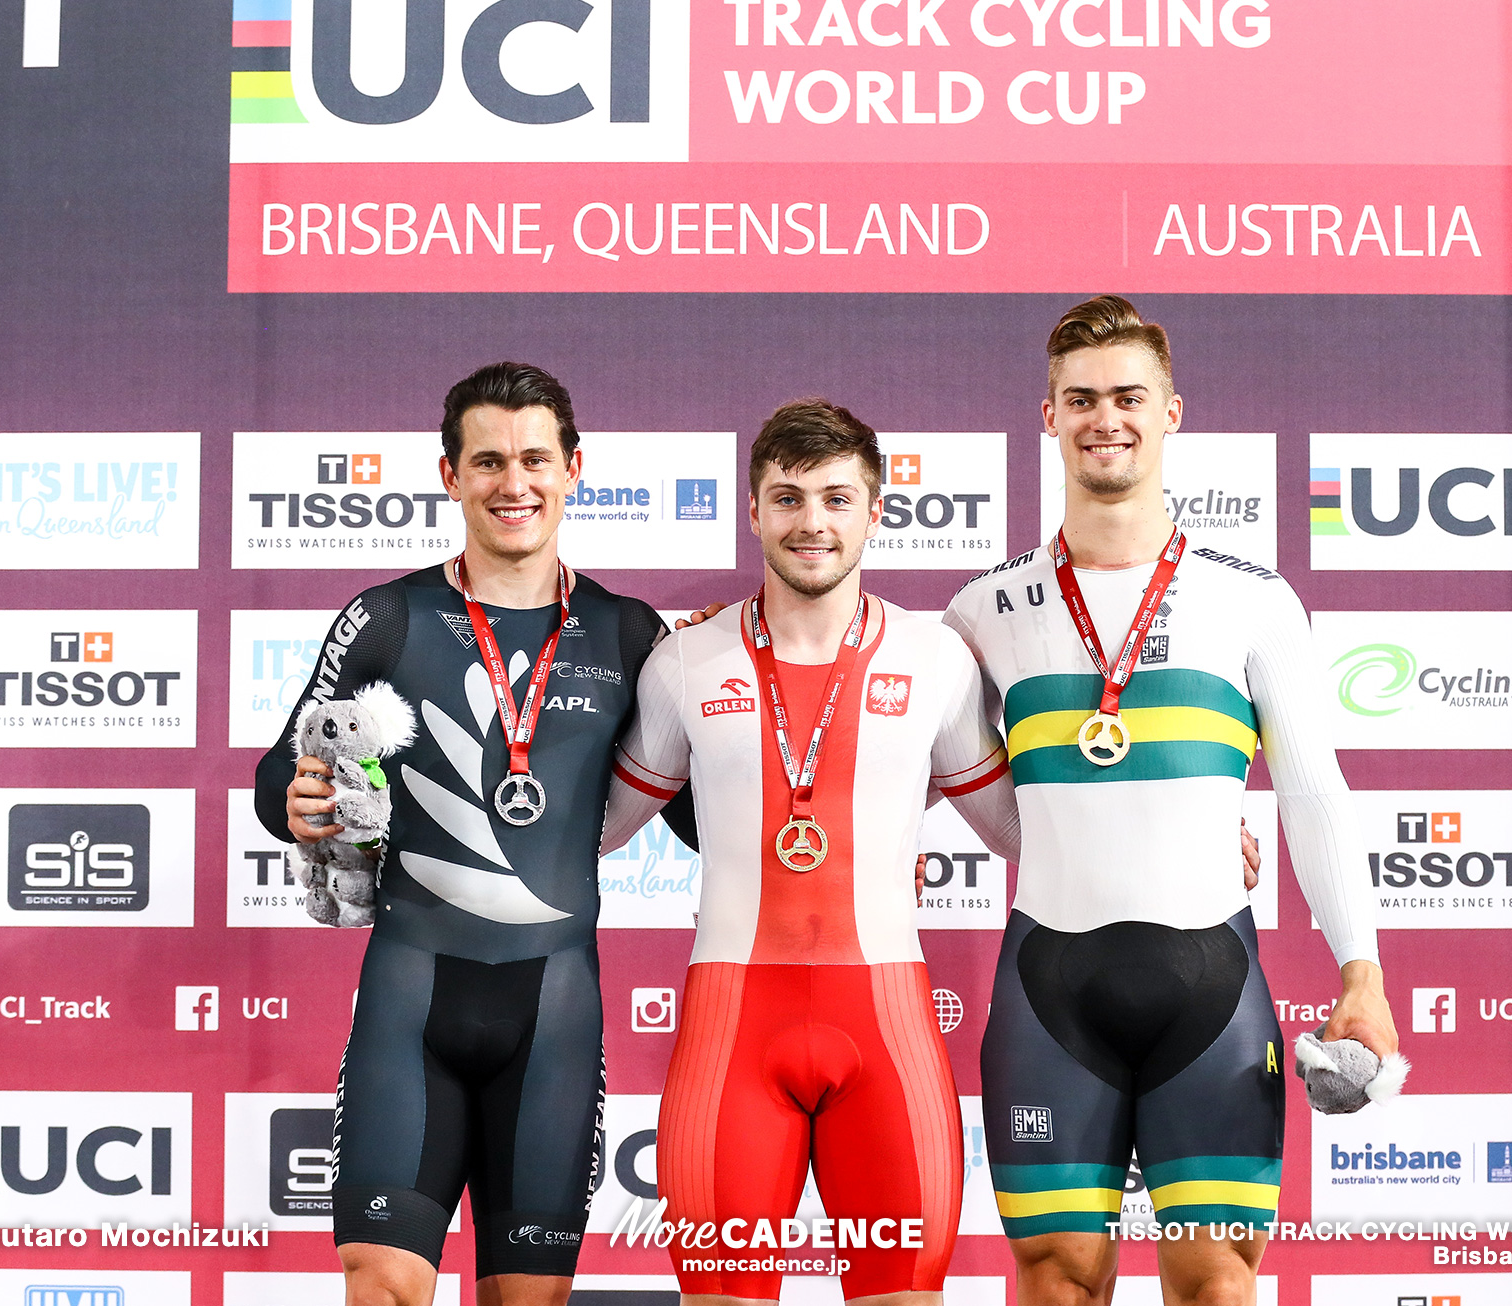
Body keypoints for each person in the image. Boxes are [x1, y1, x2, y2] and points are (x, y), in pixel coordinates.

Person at [942, 296, 1397, 1306]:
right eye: (1081, 398)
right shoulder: (982, 611)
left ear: (1171, 413)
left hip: (1212, 986)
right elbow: (927, 763)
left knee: (1216, 1284)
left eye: (1127, 396)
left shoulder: (1252, 596)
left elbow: (1314, 792)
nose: (1106, 417)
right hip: (1047, 987)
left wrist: (1360, 973)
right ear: (1047, 417)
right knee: (1056, 1281)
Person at [254, 362, 694, 1306]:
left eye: (536, 459)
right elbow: (278, 774)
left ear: (576, 468)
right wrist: (293, 802)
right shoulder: (388, 617)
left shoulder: (628, 634)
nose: (514, 483)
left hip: (555, 1017)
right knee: (381, 1284)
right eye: (488, 461)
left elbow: (700, 815)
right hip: (410, 1001)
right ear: (450, 475)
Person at [599, 399, 1022, 1306]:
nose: (813, 523)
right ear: (753, 512)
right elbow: (591, 831)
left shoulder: (938, 659)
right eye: (787, 499)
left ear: (876, 510)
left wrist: (1182, 831)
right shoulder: (686, 662)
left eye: (837, 498)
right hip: (731, 1031)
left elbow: (1021, 829)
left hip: (888, 1026)